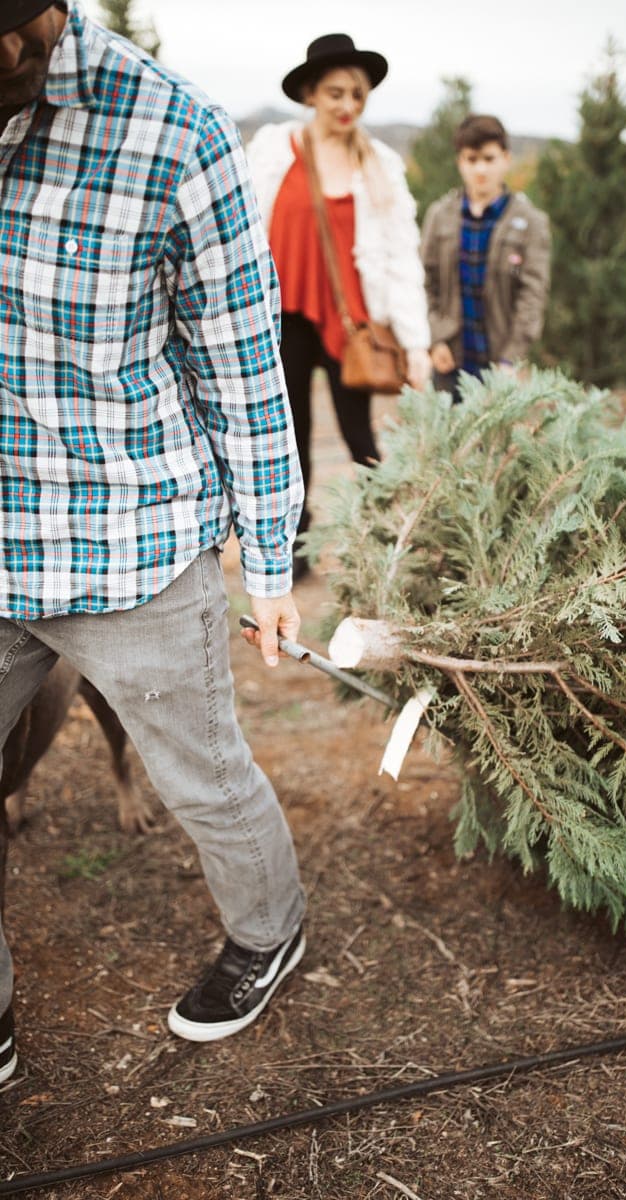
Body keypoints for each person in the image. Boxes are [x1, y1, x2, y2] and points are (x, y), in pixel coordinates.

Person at [0, 0, 308, 1079]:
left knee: (204, 777)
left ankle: (269, 933)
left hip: (132, 540)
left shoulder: (177, 131)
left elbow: (243, 370)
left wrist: (269, 561)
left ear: (37, 19)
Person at [246, 34, 431, 575]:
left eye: (357, 94)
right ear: (310, 93)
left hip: (351, 325)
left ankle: (384, 544)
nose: (348, 105)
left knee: (360, 438)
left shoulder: (381, 164)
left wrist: (415, 342)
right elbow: (243, 228)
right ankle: (296, 551)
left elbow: (401, 255)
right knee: (290, 437)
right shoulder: (275, 151)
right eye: (335, 93)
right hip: (285, 317)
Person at [421, 113, 551, 400]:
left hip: (501, 366)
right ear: (460, 162)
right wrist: (436, 338)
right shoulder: (439, 216)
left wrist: (512, 358)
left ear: (506, 158)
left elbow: (533, 295)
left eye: (489, 159)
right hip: (450, 364)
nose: (480, 169)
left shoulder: (530, 222)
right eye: (471, 159)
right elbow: (424, 283)